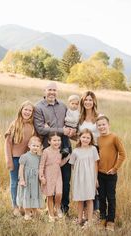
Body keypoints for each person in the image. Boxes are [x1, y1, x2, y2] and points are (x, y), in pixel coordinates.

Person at [34, 82, 76, 214]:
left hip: (65, 146)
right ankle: (50, 208)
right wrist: (60, 130)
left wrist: (55, 129)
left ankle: (63, 209)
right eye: (49, 90)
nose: (52, 92)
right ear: (44, 91)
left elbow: (69, 125)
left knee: (65, 179)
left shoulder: (63, 106)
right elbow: (40, 129)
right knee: (50, 179)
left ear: (57, 92)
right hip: (49, 148)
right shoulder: (38, 107)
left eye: (54, 90)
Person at [4, 100, 35, 216]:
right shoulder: (15, 123)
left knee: (25, 183)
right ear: (21, 110)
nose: (27, 112)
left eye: (30, 110)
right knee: (14, 182)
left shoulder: (32, 126)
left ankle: (23, 205)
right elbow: (7, 143)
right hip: (15, 158)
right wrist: (9, 160)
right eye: (25, 109)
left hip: (27, 159)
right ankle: (15, 206)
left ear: (32, 113)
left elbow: (34, 142)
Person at [96, 115, 126, 232]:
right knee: (101, 197)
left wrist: (115, 168)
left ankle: (111, 221)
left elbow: (123, 154)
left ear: (108, 125)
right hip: (100, 173)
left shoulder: (114, 137)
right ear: (97, 127)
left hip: (111, 174)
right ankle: (103, 218)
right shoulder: (98, 139)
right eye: (99, 125)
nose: (101, 127)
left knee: (111, 198)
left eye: (103, 124)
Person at [69, 129, 99, 227]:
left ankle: (89, 220)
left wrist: (96, 179)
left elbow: (96, 164)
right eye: (83, 137)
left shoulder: (93, 149)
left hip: (90, 178)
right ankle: (79, 219)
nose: (85, 139)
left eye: (88, 138)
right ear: (80, 138)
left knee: (90, 199)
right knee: (80, 199)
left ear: (91, 139)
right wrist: (78, 175)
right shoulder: (75, 151)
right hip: (79, 179)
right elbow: (72, 165)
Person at [39, 132, 70, 222]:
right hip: (48, 175)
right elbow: (41, 165)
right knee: (49, 195)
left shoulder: (60, 151)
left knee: (59, 193)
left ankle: (57, 207)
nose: (57, 142)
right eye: (54, 140)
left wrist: (66, 158)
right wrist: (42, 176)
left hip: (57, 175)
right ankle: (51, 214)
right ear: (49, 141)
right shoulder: (46, 151)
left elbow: (59, 164)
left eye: (59, 140)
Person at [78, 91, 100, 212]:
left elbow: (103, 133)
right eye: (85, 100)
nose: (88, 102)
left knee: (93, 179)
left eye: (90, 100)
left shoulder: (98, 116)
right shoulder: (80, 118)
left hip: (94, 149)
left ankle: (95, 211)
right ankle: (85, 212)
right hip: (82, 150)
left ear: (94, 102)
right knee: (84, 178)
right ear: (82, 102)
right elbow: (79, 136)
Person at [16, 136, 44, 221]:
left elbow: (40, 168)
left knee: (35, 194)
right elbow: (21, 169)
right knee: (27, 194)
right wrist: (22, 179)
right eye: (33, 145)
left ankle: (35, 212)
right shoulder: (24, 156)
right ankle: (27, 213)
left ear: (40, 147)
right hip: (27, 180)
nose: (35, 147)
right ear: (29, 145)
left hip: (35, 181)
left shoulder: (39, 157)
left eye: (37, 146)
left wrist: (41, 179)